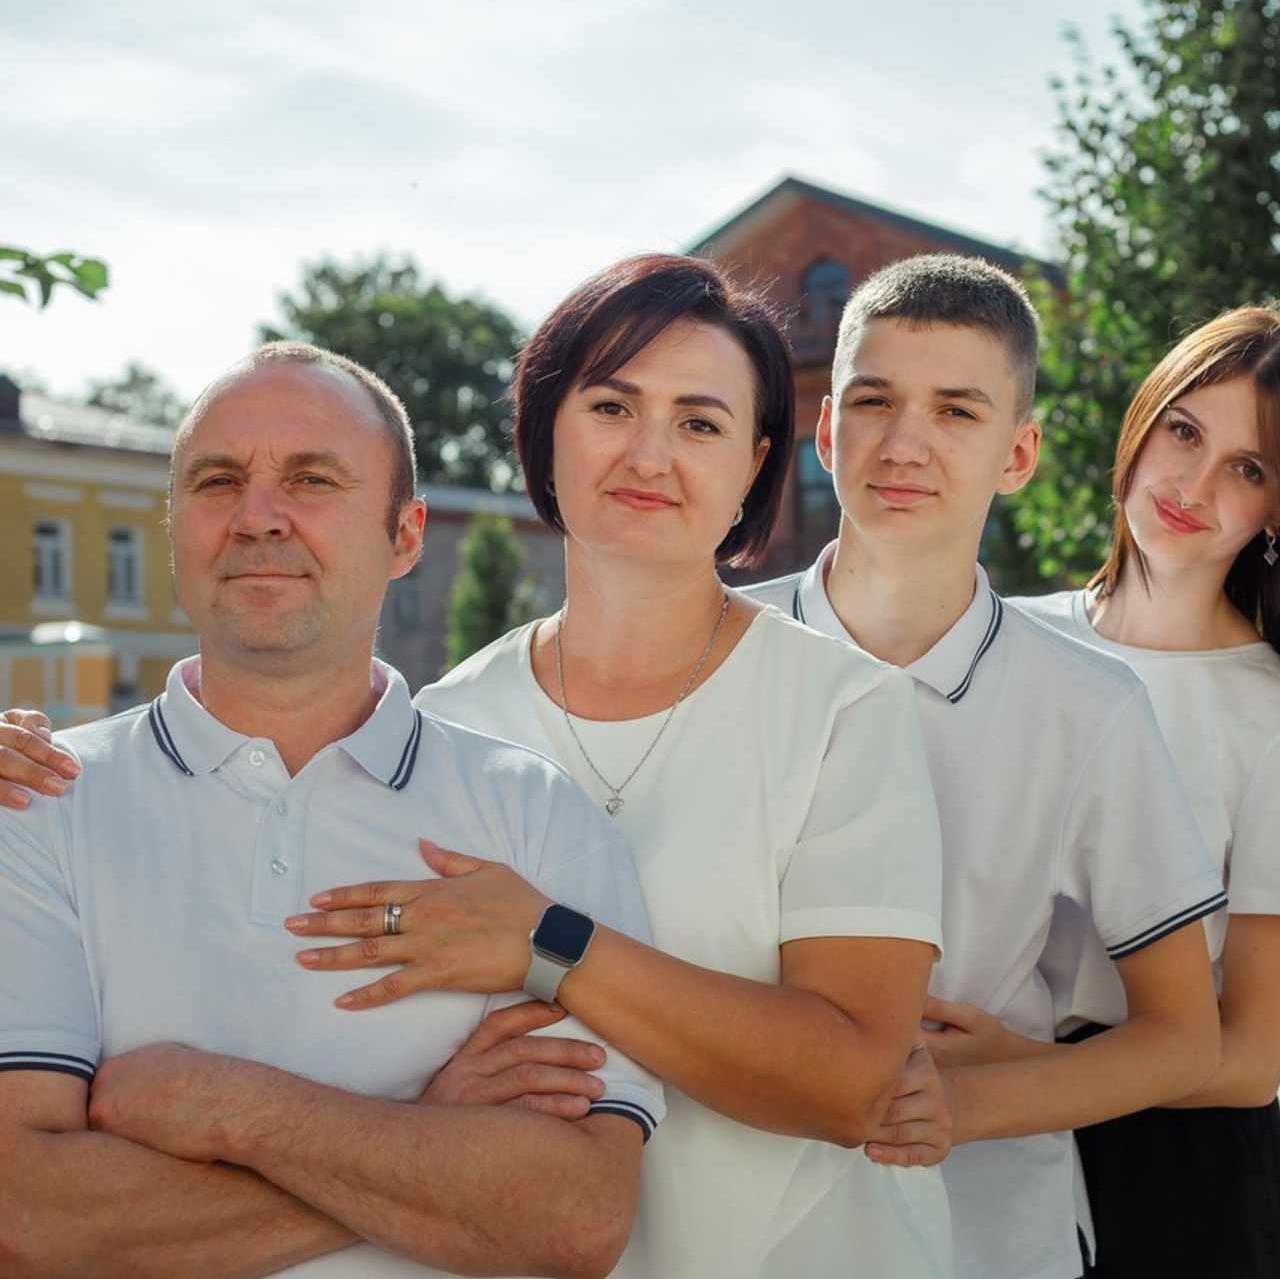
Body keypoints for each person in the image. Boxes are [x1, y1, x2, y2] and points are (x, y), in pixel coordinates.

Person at [0, 256, 951, 1278]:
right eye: (611, 406)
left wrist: (545, 942)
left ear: (756, 462)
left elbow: (832, 1091)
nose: (649, 453)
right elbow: (27, 1215)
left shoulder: (831, 709)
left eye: (699, 422)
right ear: (545, 434)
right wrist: (422, 1145)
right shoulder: (452, 715)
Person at [0, 342, 667, 1277]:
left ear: (406, 537)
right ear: (173, 527)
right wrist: (427, 1142)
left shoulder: (534, 813)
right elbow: (25, 1220)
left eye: (312, 480)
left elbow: (577, 1217)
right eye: (217, 482)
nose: (257, 517)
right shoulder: (35, 802)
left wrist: (233, 1110)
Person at [737, 254, 1226, 1279]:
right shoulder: (711, 651)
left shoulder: (1090, 709)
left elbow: (1183, 1037)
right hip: (726, 1224)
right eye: (873, 400)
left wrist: (967, 1100)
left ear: (1018, 453)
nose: (904, 443)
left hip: (987, 1239)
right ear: (826, 430)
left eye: (956, 411)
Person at [1001, 305, 1280, 1277]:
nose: (1194, 487)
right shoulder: (996, 638)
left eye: (1248, 468)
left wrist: (1014, 1072)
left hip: (1178, 1172)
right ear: (1141, 422)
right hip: (968, 1147)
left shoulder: (1267, 713)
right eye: (1184, 432)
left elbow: (1253, 1058)